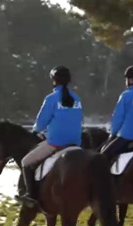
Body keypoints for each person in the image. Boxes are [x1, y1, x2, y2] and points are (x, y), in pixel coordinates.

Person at [17, 66, 83, 207]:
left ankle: (31, 196)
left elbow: (42, 121)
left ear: (54, 80)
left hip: (56, 143)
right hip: (75, 143)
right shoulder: (77, 98)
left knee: (25, 162)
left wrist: (36, 130)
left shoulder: (51, 99)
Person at [100, 65, 133, 160]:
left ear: (131, 80)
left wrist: (113, 133)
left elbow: (118, 117)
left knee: (103, 156)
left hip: (127, 136)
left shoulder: (126, 95)